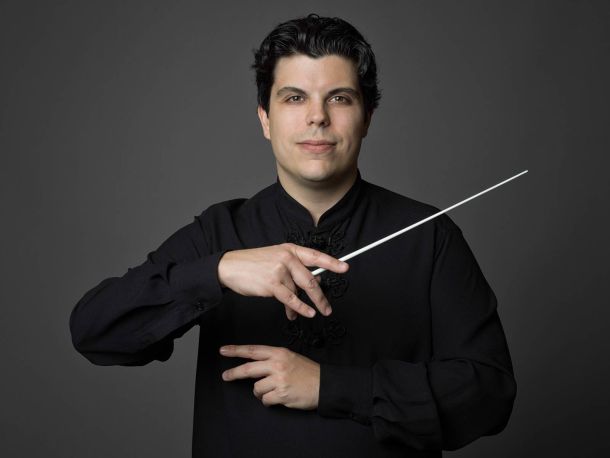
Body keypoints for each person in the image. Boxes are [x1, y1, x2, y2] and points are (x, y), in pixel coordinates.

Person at [69, 13, 516, 457]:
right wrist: (218, 271)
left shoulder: (429, 236)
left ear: (367, 117)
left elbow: (490, 396)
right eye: (295, 98)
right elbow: (95, 333)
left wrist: (330, 387)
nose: (317, 117)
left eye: (339, 98)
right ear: (265, 119)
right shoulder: (220, 231)